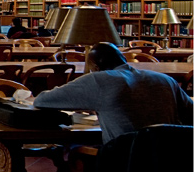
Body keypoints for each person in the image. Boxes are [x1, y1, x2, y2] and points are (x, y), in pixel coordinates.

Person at [34, 42, 193, 143]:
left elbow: (42, 100)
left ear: (95, 67)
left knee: (69, 153)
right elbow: (190, 113)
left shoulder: (99, 81)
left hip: (123, 164)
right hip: (171, 164)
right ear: (123, 58)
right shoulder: (165, 80)